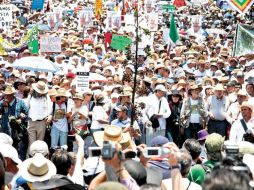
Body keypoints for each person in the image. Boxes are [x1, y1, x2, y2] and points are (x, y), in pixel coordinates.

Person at [0, 86, 28, 160]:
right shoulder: (2, 102)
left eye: (9, 95)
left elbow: (27, 113)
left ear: (13, 95)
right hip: (5, 129)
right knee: (5, 149)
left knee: (18, 149)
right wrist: (3, 106)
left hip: (17, 130)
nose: (7, 96)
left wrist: (22, 119)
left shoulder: (20, 102)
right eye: (5, 94)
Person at [27, 81, 52, 152]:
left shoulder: (46, 97)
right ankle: (29, 159)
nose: (40, 93)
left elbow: (49, 108)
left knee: (40, 144)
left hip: (42, 122)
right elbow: (26, 106)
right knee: (32, 144)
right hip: (31, 122)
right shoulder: (31, 95)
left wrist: (49, 116)